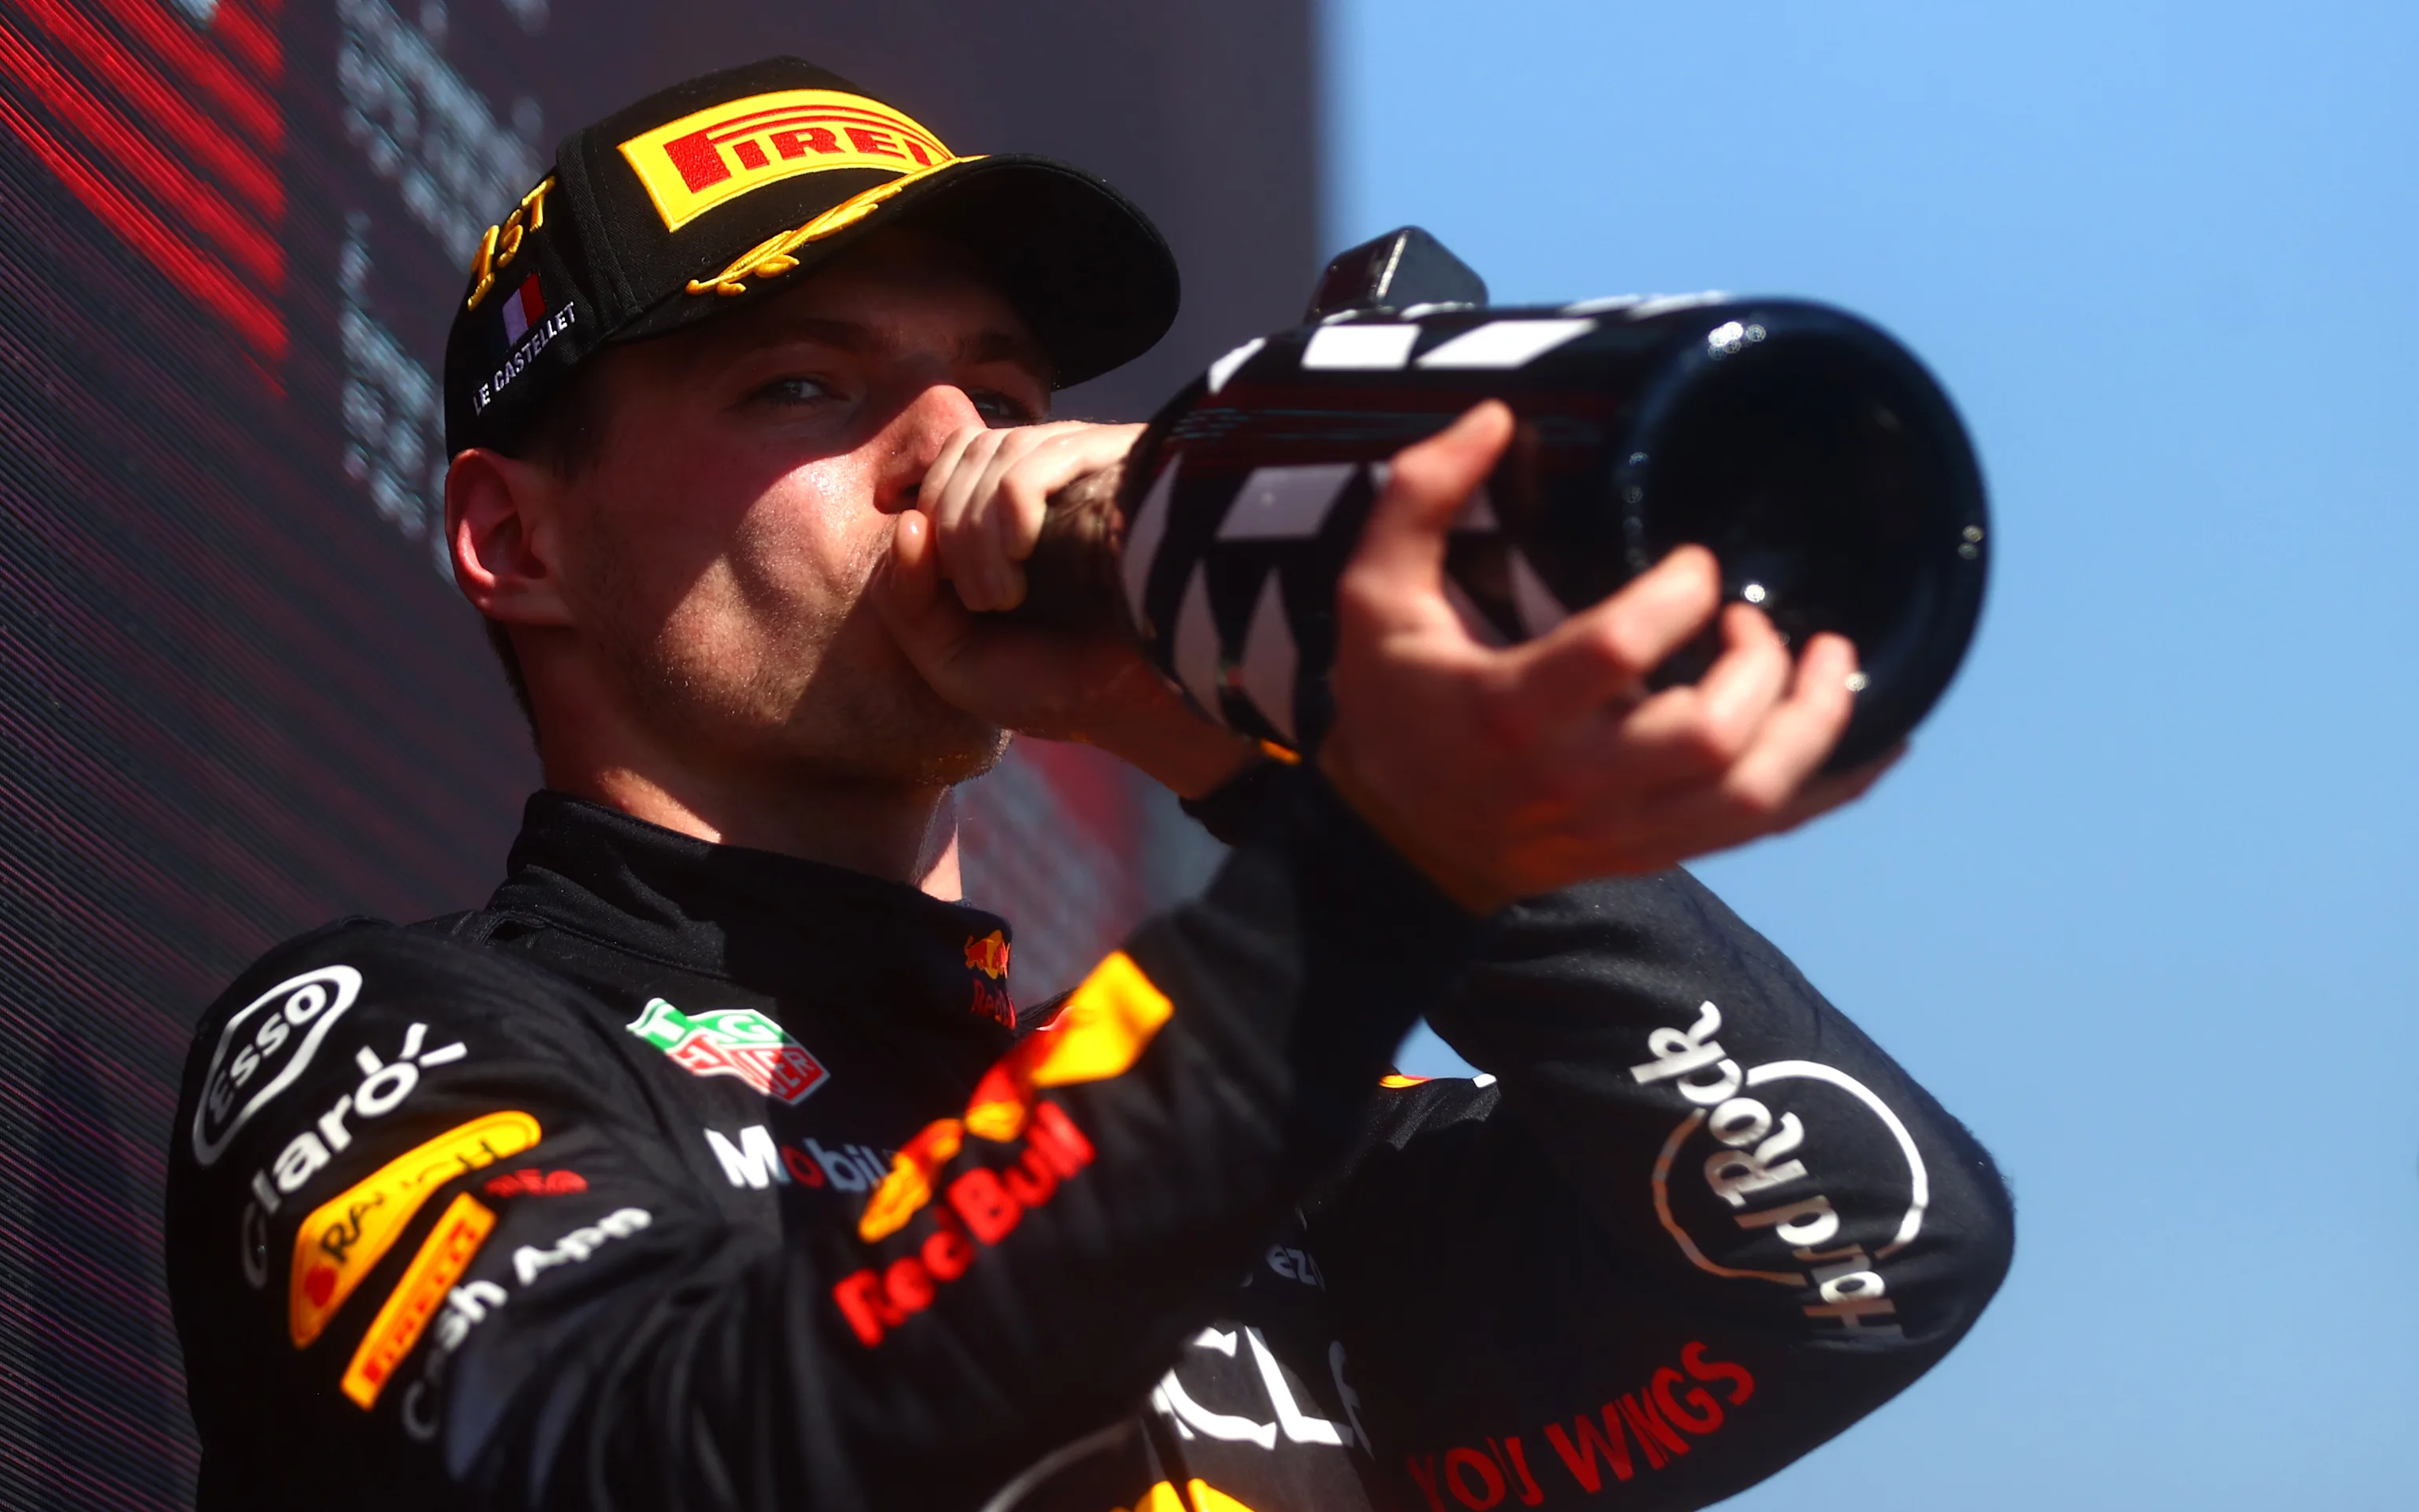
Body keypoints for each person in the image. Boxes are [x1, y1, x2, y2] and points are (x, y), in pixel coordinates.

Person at [164, 56, 2012, 1512]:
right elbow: (693, 1458)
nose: (957, 449)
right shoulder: (374, 1039)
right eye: (805, 388)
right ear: (516, 539)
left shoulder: (1269, 1153)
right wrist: (1370, 865)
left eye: (1000, 381)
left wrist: (1232, 734)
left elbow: (1866, 1250)